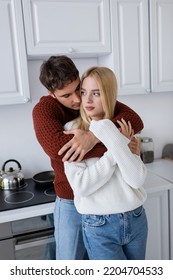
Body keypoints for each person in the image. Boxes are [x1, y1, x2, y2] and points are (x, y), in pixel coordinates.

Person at [32, 55, 144, 260]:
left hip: (109, 205)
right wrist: (119, 144)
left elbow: (135, 120)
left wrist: (92, 137)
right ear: (51, 94)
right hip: (70, 199)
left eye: (78, 89)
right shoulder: (45, 109)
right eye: (67, 95)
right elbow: (62, 149)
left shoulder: (89, 98)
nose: (77, 99)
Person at [64, 66, 148, 260]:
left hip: (136, 219)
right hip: (99, 225)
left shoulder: (123, 126)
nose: (87, 100)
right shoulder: (73, 131)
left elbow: (136, 179)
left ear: (109, 95)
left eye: (96, 93)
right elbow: (82, 186)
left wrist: (114, 134)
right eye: (83, 92)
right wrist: (116, 147)